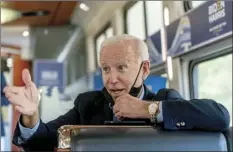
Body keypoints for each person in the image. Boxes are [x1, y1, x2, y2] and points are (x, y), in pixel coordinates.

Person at [3, 35, 230, 151]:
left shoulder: (164, 100)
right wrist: (31, 114)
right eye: (106, 69)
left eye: (121, 68)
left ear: (145, 69)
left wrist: (148, 109)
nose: (111, 79)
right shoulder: (87, 104)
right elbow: (42, 140)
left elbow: (220, 117)